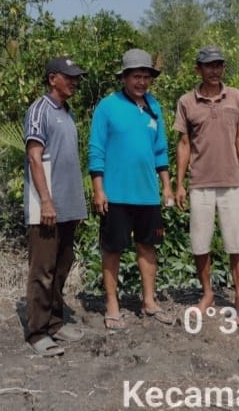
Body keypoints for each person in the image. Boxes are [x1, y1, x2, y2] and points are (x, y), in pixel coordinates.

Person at [89, 49, 175, 330]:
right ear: (124, 77)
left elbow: (160, 151)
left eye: (146, 76)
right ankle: (112, 305)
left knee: (148, 246)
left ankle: (149, 301)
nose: (141, 82)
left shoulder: (154, 106)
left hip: (147, 193)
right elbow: (96, 150)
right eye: (136, 76)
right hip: (115, 193)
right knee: (113, 248)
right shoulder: (107, 106)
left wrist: (167, 187)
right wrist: (98, 189)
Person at [173, 45, 239, 318]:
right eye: (208, 65)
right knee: (200, 243)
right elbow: (184, 143)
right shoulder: (186, 102)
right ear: (198, 69)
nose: (214, 70)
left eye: (218, 65)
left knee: (237, 243)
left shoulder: (236, 97)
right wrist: (180, 184)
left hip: (231, 182)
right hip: (199, 183)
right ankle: (207, 293)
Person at [23, 56, 89, 356]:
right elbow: (35, 158)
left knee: (62, 265)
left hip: (68, 206)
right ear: (52, 79)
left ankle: (55, 323)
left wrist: (75, 206)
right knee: (43, 269)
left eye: (76, 76)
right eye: (69, 76)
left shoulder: (67, 112)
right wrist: (47, 202)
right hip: (46, 208)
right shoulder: (39, 111)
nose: (74, 81)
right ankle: (37, 332)